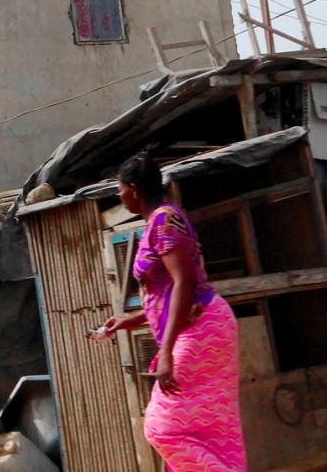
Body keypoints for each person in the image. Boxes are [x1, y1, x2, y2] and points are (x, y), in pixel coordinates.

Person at [104, 149, 247, 471]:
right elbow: (166, 292)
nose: (118, 194)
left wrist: (166, 350)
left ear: (135, 189)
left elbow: (184, 283)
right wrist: (133, 320)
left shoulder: (164, 221)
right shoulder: (158, 221)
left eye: (120, 188)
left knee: (162, 429)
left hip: (201, 328)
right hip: (200, 326)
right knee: (208, 430)